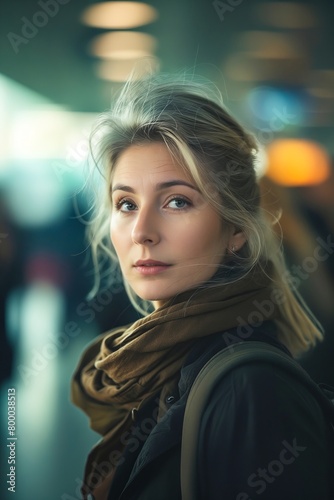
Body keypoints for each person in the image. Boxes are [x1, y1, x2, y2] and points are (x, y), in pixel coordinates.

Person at [71, 74, 331, 500]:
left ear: (235, 228)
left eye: (177, 201)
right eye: (126, 203)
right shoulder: (159, 366)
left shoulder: (251, 388)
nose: (142, 231)